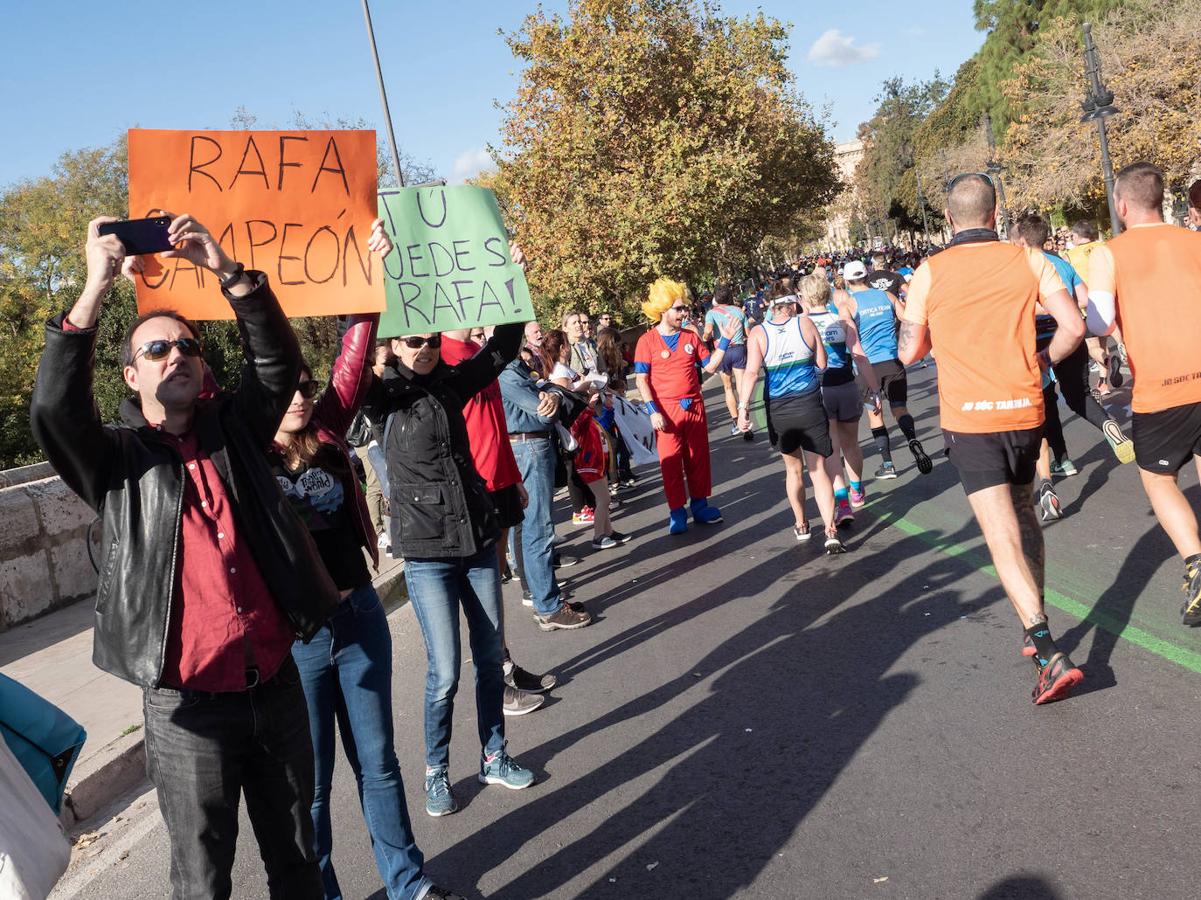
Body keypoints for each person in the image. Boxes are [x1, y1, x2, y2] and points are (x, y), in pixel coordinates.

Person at [31, 214, 337, 897]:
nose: (176, 355)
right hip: (186, 710)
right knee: (202, 880)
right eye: (157, 349)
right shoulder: (112, 461)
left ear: (202, 367)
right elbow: (54, 411)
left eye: (187, 347)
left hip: (277, 685)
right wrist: (97, 283)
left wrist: (227, 270)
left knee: (298, 860)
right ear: (130, 374)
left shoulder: (236, 428)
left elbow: (279, 365)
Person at [270, 223, 466, 900]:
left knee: (378, 764)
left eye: (304, 383)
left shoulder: (327, 433)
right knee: (314, 784)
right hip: (296, 638)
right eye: (285, 386)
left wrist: (366, 284)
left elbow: (351, 363)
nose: (299, 393)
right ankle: (321, 891)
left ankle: (407, 881)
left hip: (356, 616)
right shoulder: (243, 456)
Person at [897, 173, 1087, 704]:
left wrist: (918, 327)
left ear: (948, 219)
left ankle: (1048, 648)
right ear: (994, 210)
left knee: (1001, 533)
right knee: (1025, 511)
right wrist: (1043, 361)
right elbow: (1073, 325)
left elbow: (909, 351)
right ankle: (1034, 614)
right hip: (1025, 410)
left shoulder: (930, 272)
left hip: (971, 419)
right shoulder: (1028, 259)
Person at [364, 280, 537, 819]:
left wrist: (514, 281)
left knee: (489, 659)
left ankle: (494, 754)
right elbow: (346, 380)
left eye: (431, 340)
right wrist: (361, 303)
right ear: (392, 345)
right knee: (445, 673)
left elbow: (503, 348)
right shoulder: (382, 398)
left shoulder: (452, 383)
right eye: (412, 341)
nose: (425, 348)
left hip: (478, 542)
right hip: (428, 554)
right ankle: (436, 770)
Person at [1085, 162, 1201, 626]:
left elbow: (1099, 322)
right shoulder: (1195, 240)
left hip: (1161, 384)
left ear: (1123, 204)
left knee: (1158, 478)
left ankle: (1196, 564)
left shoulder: (1109, 253)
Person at [440, 328, 557, 709]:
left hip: (500, 480)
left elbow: (495, 423)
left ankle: (502, 663)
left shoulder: (477, 351)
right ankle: (496, 678)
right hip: (475, 486)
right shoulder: (439, 355)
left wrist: (512, 476)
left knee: (493, 585)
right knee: (481, 589)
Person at [1009, 213, 1135, 478]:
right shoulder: (1061, 263)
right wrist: (1065, 310)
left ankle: (1062, 460)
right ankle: (1109, 425)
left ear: (1021, 239)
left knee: (1045, 400)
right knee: (1079, 396)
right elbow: (1085, 297)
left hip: (1038, 340)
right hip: (1071, 335)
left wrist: (1045, 310)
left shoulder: (1020, 265)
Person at [737, 290, 844, 553]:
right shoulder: (805, 323)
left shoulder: (758, 333)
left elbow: (751, 372)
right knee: (818, 470)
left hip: (780, 409)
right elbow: (822, 362)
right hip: (808, 403)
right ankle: (831, 531)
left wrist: (743, 409)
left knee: (793, 470)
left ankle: (801, 524)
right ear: (792, 306)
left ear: (770, 308)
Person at [498, 345, 595, 632]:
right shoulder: (507, 373)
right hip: (527, 446)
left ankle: (547, 599)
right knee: (537, 529)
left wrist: (551, 393)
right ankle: (548, 606)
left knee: (537, 527)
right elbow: (545, 413)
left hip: (532, 445)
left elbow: (551, 397)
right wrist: (551, 395)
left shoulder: (516, 367)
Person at [635, 278, 737, 534]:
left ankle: (700, 506)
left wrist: (724, 342)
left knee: (698, 458)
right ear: (662, 310)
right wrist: (652, 410)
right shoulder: (646, 342)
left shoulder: (690, 337)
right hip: (665, 412)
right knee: (670, 463)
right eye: (678, 308)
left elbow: (710, 366)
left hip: (694, 407)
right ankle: (677, 511)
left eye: (684, 308)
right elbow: (641, 380)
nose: (684, 312)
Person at [838, 259, 932, 481]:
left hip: (866, 366)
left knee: (876, 415)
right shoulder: (886, 296)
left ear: (847, 280)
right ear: (866, 276)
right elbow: (907, 318)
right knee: (900, 408)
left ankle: (888, 464)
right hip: (892, 360)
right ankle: (911, 438)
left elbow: (846, 337)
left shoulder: (848, 305)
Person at [801, 276, 881, 526]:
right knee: (851, 444)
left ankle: (843, 502)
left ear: (804, 297)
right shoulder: (842, 321)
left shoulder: (801, 325)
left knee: (832, 449)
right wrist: (875, 389)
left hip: (820, 390)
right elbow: (860, 356)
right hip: (846, 385)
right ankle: (856, 490)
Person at [542, 330, 629, 550]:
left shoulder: (565, 370)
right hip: (582, 442)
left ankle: (608, 531)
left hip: (588, 436)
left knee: (603, 491)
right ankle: (599, 536)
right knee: (603, 496)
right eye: (566, 343)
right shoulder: (559, 374)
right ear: (563, 347)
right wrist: (588, 401)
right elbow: (571, 416)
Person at [1065, 220, 1126, 396]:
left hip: (1087, 305)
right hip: (1108, 298)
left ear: (1076, 236)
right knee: (1104, 340)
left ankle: (1108, 360)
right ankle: (1103, 383)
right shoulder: (1104, 246)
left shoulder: (1069, 256)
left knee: (1093, 347)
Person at [702, 283, 753, 439]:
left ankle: (735, 421)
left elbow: (708, 332)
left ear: (716, 298)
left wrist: (705, 337)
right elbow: (748, 333)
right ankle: (746, 423)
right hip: (738, 349)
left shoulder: (711, 313)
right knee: (742, 387)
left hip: (722, 351)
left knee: (728, 388)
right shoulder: (739, 311)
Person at [563, 309, 599, 374]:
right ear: (565, 329)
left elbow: (601, 367)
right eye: (574, 323)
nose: (579, 325)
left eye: (579, 322)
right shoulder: (565, 348)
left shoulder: (590, 343)